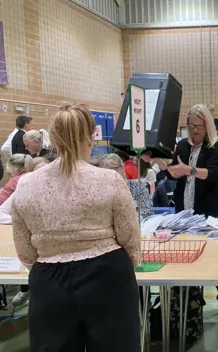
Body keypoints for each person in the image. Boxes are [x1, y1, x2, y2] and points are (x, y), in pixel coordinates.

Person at [11, 103, 141, 351]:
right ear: (90, 138)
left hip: (49, 282)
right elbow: (130, 240)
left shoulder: (26, 185)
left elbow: (25, 251)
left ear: (54, 139)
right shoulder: (110, 180)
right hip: (108, 277)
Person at [153, 104, 218, 319]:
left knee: (216, 257)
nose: (195, 130)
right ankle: (194, 298)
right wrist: (158, 163)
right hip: (185, 212)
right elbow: (172, 174)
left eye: (199, 126)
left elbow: (216, 174)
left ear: (207, 126)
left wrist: (189, 170)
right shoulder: (183, 147)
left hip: (208, 211)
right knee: (189, 255)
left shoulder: (214, 147)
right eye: (191, 126)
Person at [0, 156, 50, 307]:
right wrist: (21, 222)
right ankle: (27, 289)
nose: (41, 177)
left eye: (45, 172)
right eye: (37, 173)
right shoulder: (22, 190)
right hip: (31, 245)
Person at [99, 153, 153, 219]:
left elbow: (147, 211)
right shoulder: (99, 191)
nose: (109, 174)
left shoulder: (137, 186)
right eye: (104, 172)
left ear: (121, 168)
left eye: (113, 169)